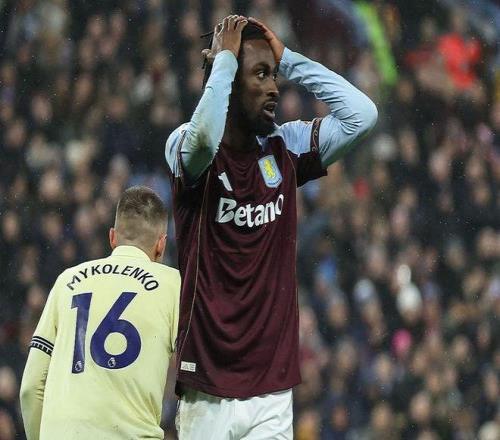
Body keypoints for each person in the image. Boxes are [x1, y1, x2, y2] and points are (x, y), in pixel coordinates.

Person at [165, 14, 377, 439]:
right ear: (228, 81)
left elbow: (362, 115)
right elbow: (205, 138)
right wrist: (224, 62)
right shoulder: (184, 144)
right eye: (260, 74)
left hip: (271, 391)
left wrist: (290, 60)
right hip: (208, 387)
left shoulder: (285, 147)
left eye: (274, 74)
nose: (274, 87)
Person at [19, 186, 180, 440]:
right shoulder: (174, 285)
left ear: (112, 237)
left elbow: (30, 387)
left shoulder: (67, 281)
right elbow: (196, 376)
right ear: (161, 245)